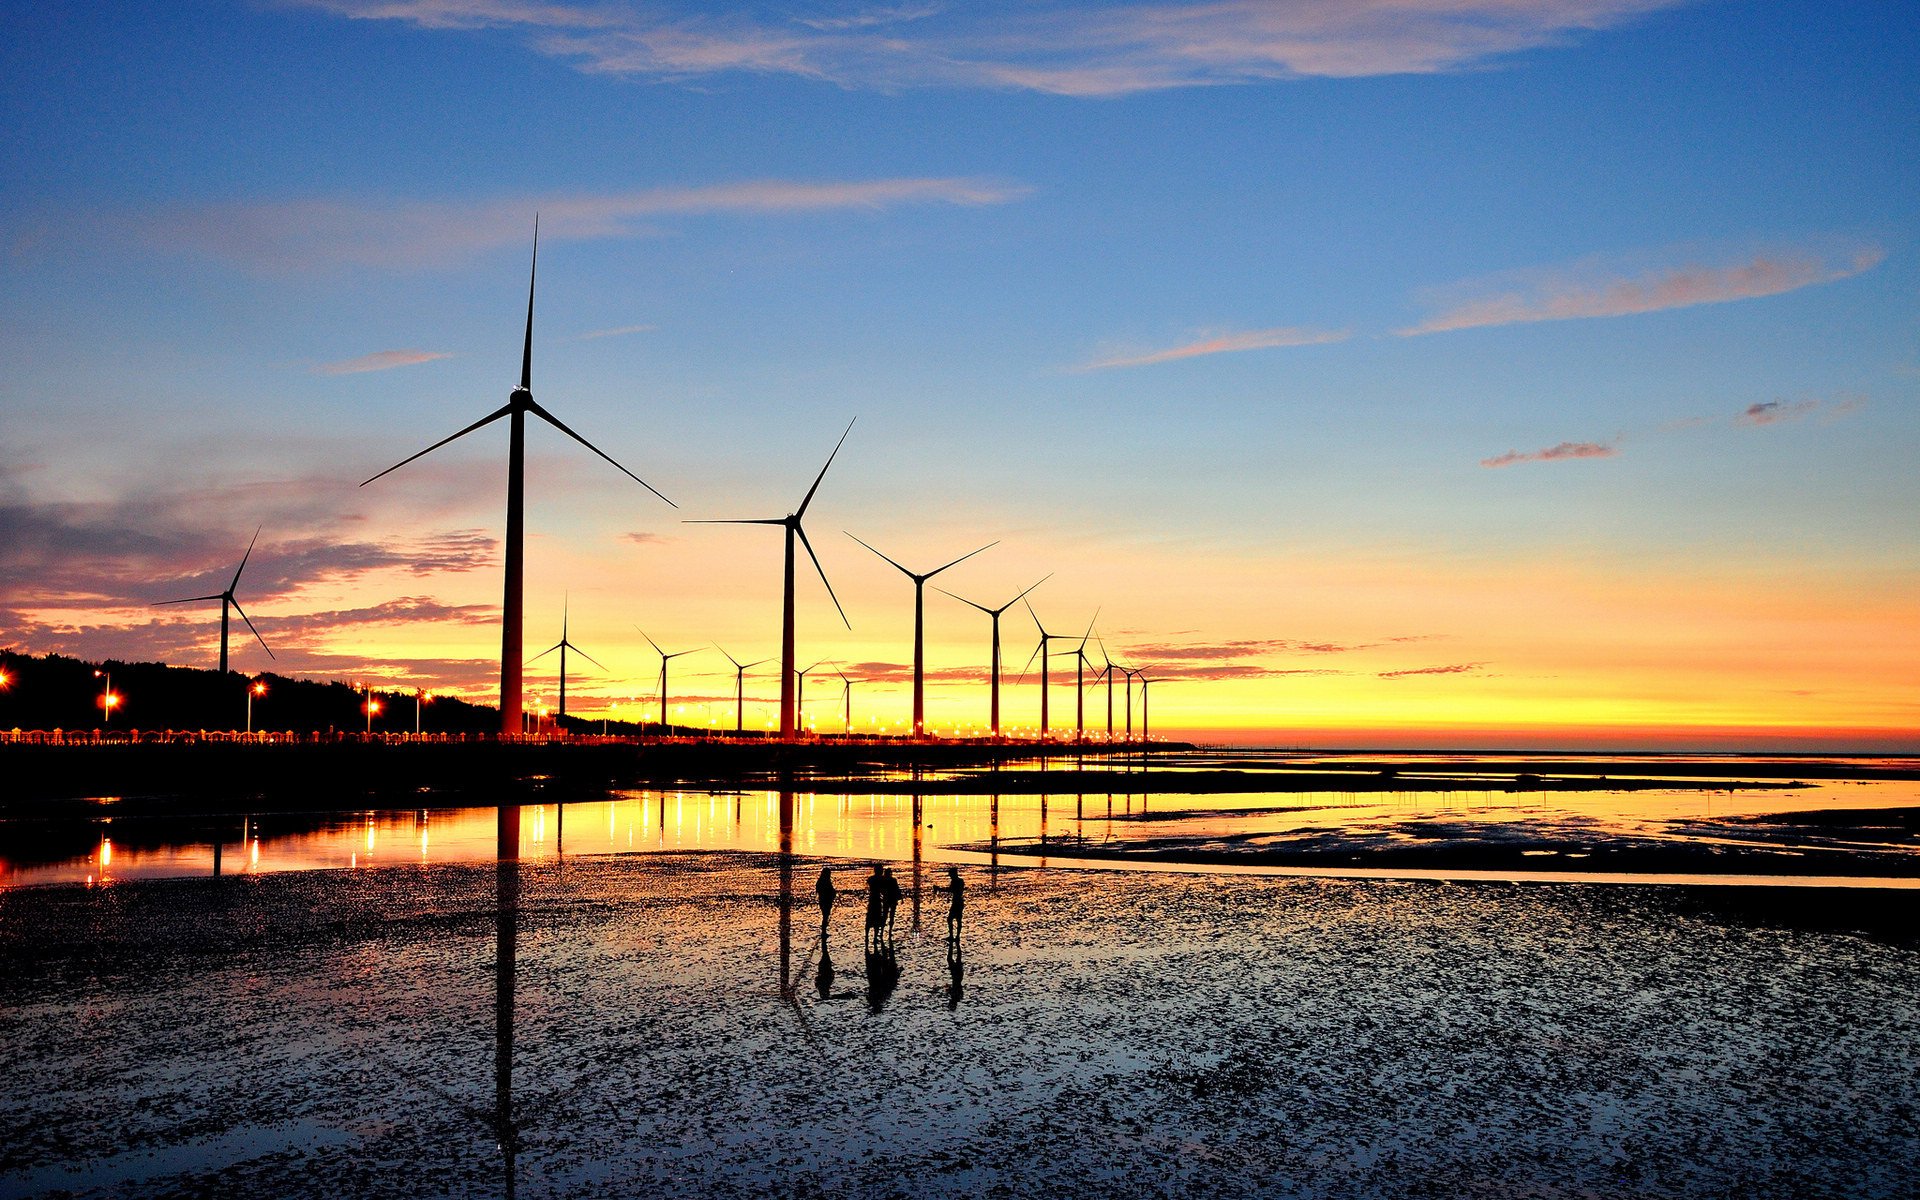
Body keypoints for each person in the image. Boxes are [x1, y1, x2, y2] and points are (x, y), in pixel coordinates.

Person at [941, 865, 965, 941]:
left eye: (950, 874)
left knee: (950, 919)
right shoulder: (960, 881)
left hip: (956, 902)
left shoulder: (956, 881)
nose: (950, 876)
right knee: (958, 919)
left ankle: (953, 936)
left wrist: (940, 889)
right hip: (959, 902)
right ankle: (956, 936)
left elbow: (951, 890)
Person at [879, 866, 902, 943]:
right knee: (891, 916)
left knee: (885, 916)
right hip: (892, 900)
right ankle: (889, 932)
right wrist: (900, 898)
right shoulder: (892, 880)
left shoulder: (884, 880)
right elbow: (897, 889)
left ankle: (882, 932)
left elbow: (881, 890)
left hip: (887, 900)